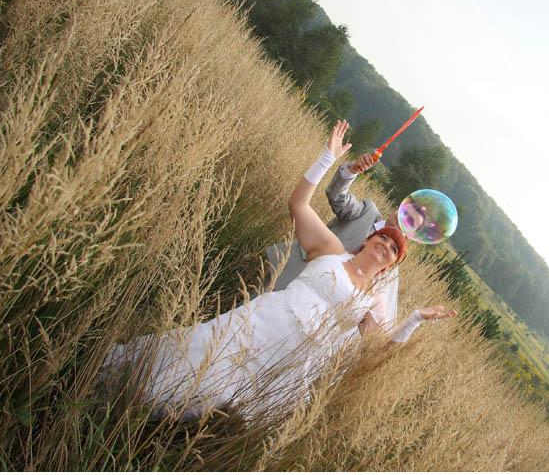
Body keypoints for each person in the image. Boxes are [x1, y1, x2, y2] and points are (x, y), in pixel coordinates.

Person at [101, 121, 456, 421]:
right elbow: (302, 202)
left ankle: (154, 426)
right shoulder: (338, 245)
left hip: (288, 358)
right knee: (199, 356)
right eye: (384, 238)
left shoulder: (373, 298)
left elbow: (377, 349)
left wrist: (415, 320)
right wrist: (329, 159)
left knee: (220, 399)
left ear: (393, 265)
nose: (388, 245)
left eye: (396, 248)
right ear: (367, 240)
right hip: (268, 313)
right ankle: (121, 394)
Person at [265, 139, 424, 332]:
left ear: (413, 235)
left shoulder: (390, 265)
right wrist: (352, 171)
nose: (403, 219)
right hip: (287, 273)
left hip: (313, 321)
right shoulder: (367, 212)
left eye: (411, 222)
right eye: (405, 212)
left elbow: (368, 319)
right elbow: (337, 196)